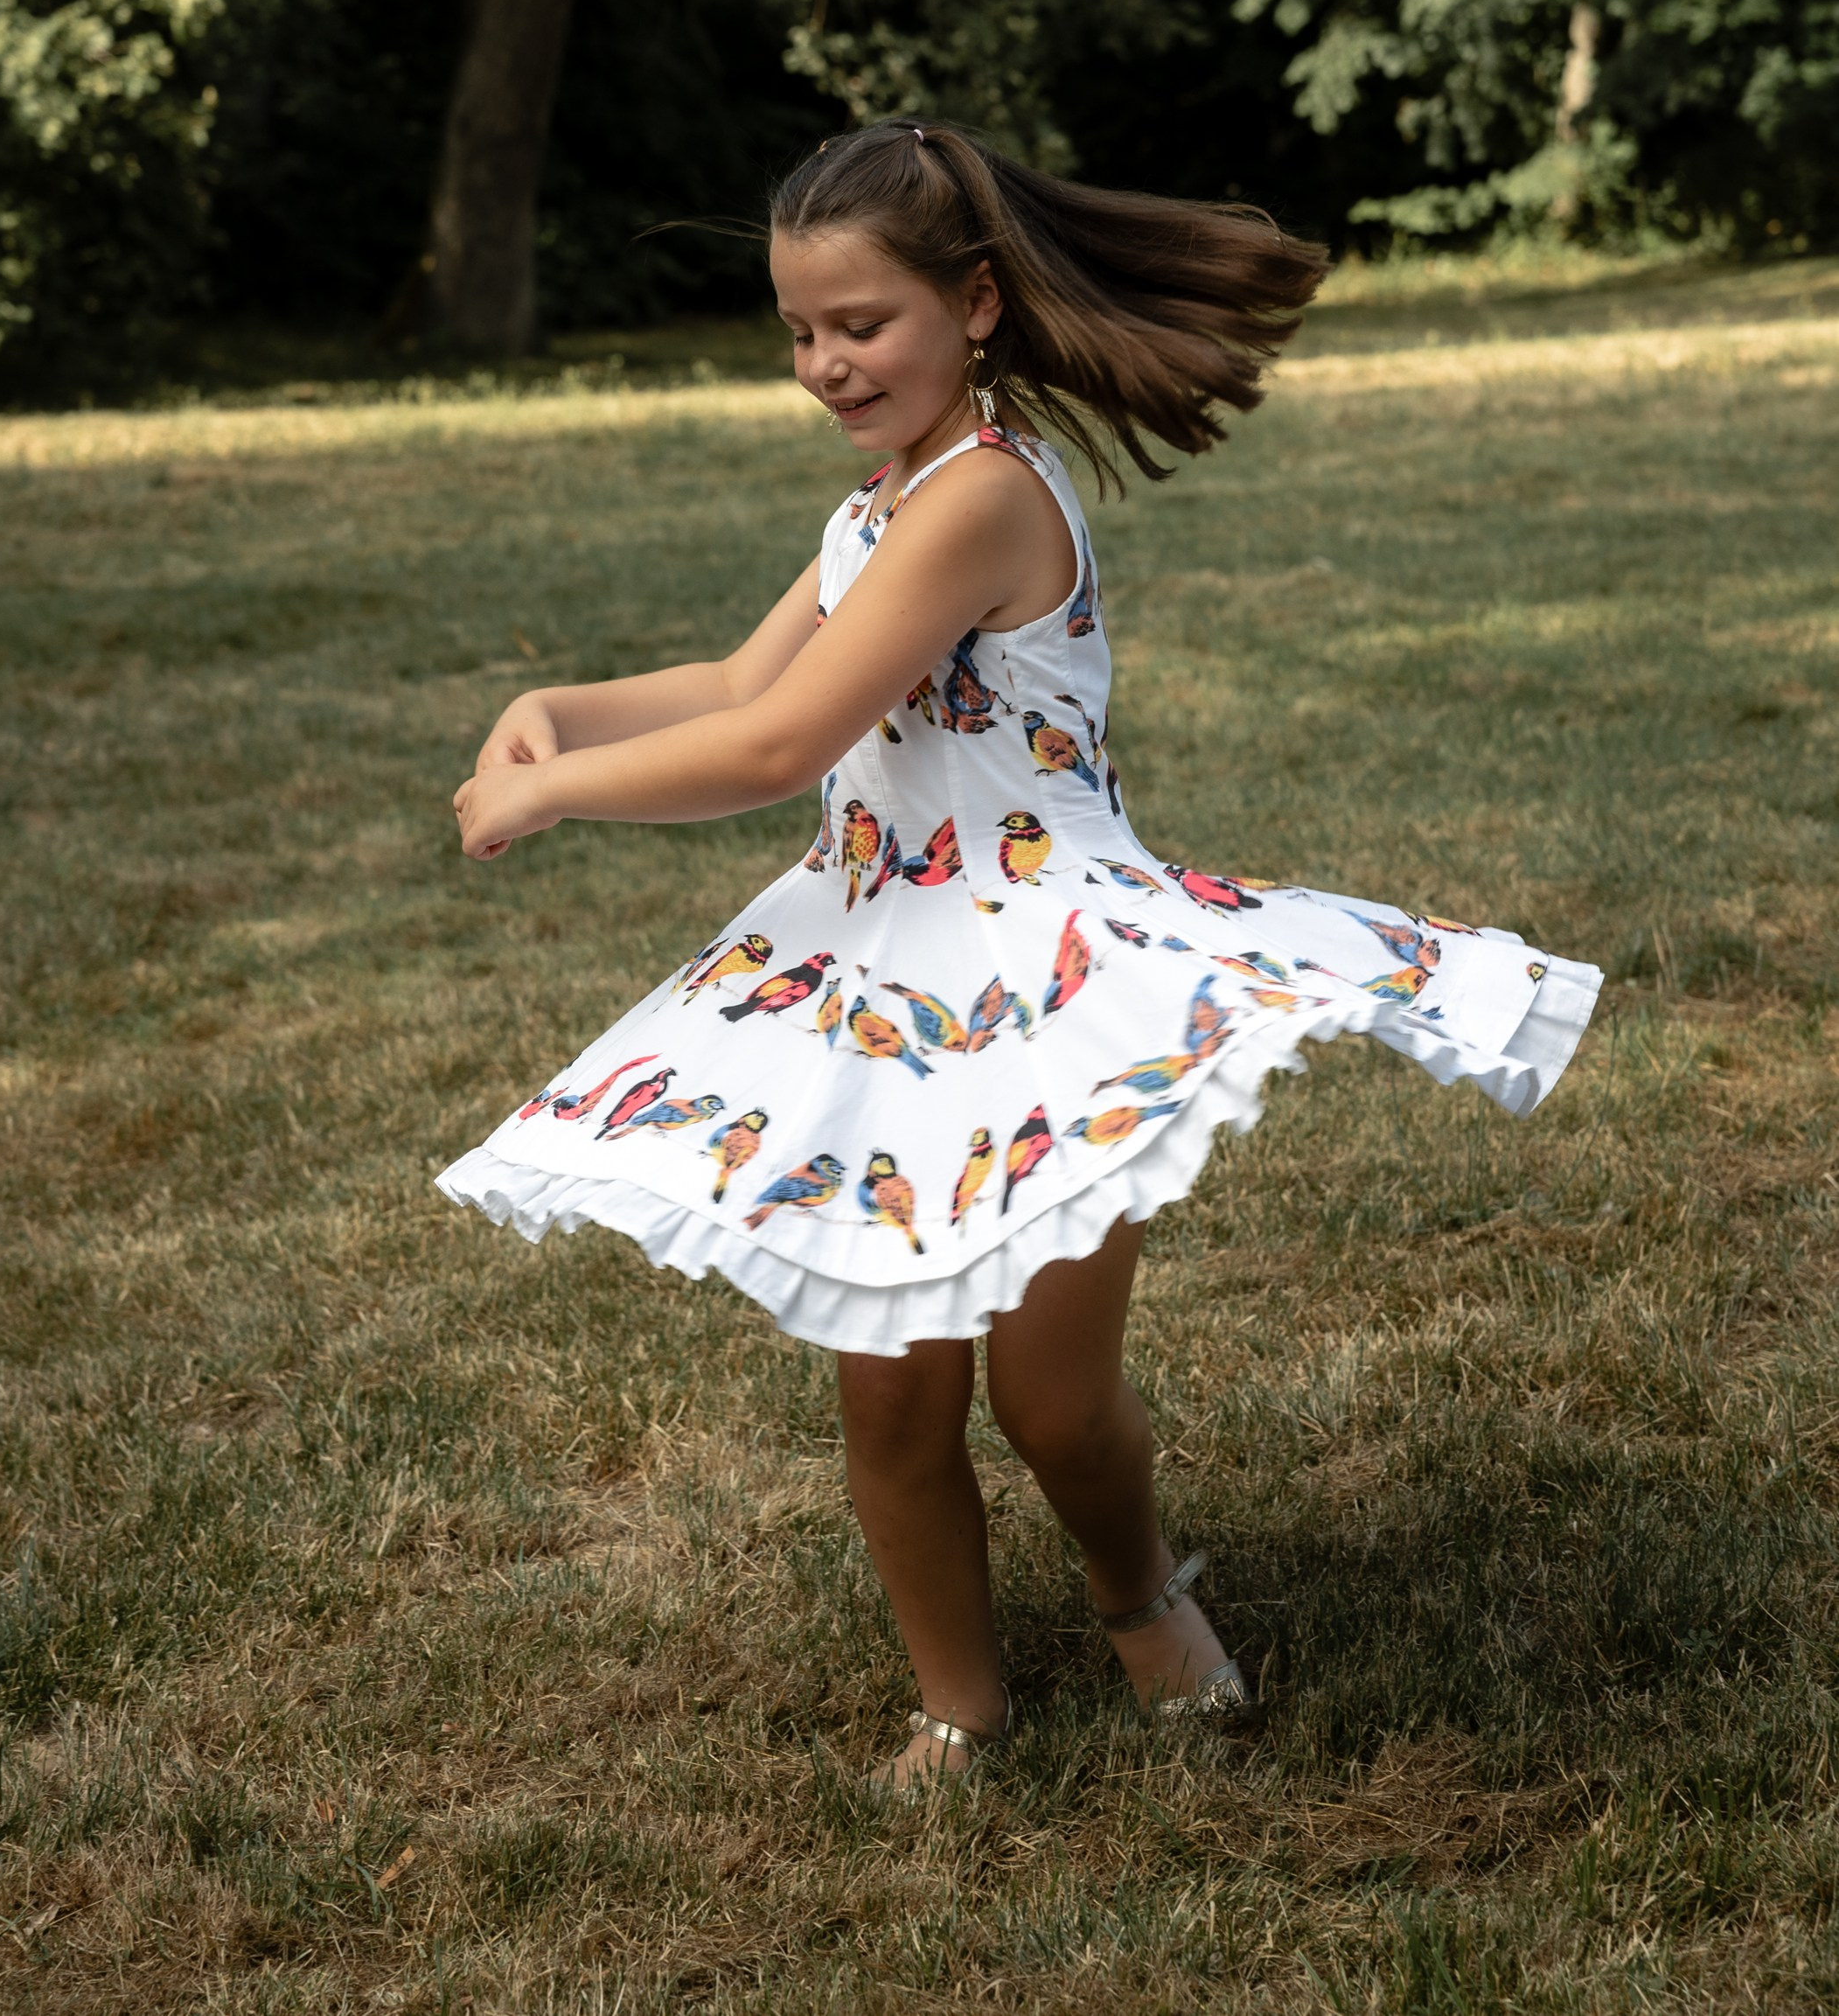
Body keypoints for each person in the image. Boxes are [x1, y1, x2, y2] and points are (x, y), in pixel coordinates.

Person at [439, 122, 1601, 1792]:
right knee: (892, 1409)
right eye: (798, 330)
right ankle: (958, 1708)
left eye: (861, 324)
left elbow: (781, 745)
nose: (824, 363)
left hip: (1043, 978)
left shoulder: (982, 498)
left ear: (973, 304)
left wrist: (546, 802)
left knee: (1054, 1404)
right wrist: (558, 714)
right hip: (878, 985)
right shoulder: (880, 503)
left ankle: (1138, 1593)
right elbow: (733, 677)